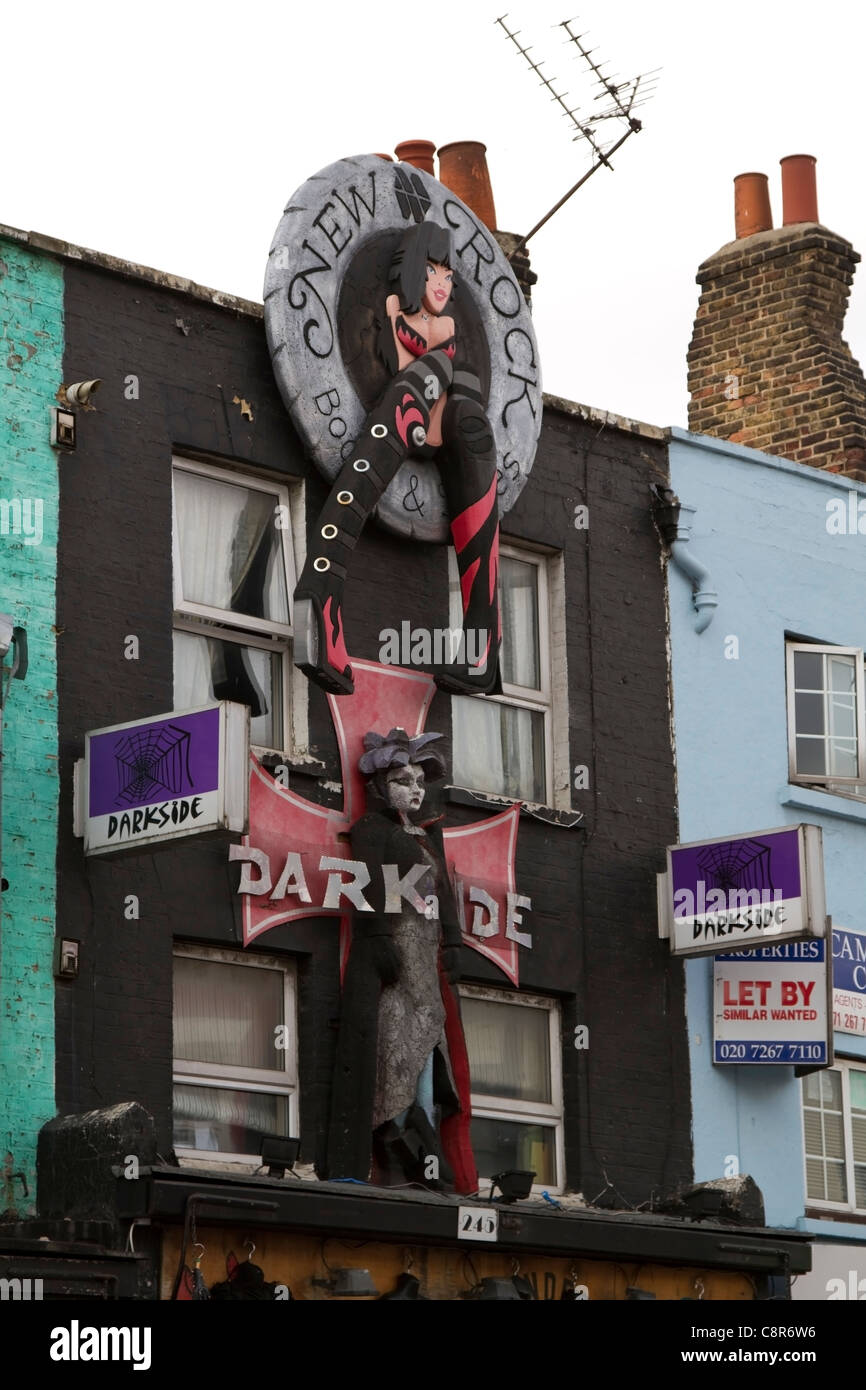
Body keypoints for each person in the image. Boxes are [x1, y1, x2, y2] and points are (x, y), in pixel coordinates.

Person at [292, 221, 502, 698]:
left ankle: (484, 638)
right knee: (429, 377)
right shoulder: (394, 309)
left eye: (448, 275)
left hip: (442, 417)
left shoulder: (449, 326)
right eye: (432, 270)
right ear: (412, 271)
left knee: (470, 421)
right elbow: (405, 369)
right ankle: (324, 586)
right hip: (407, 411)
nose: (441, 285)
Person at [325, 728, 477, 1192]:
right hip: (398, 945)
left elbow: (444, 895)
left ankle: (424, 1137)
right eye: (403, 780)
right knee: (394, 1040)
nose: (415, 790)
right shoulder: (374, 830)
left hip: (425, 952)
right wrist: (376, 935)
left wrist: (453, 942)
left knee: (430, 1034)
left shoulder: (427, 836)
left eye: (419, 781)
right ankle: (394, 1128)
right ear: (378, 787)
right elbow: (370, 882)